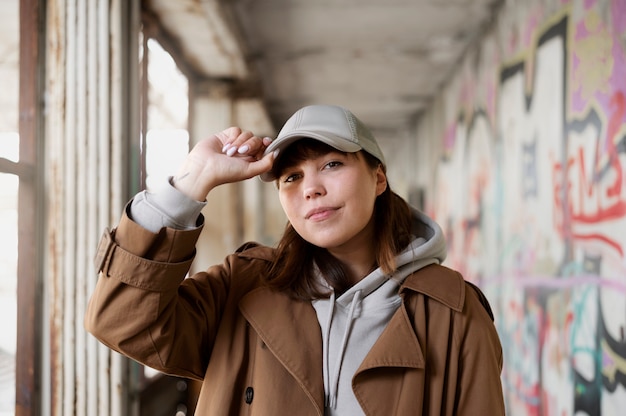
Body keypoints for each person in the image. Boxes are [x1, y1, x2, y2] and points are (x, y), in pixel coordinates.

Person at [85, 104, 505, 415]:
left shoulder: (454, 313)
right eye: (292, 177)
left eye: (332, 164)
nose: (311, 189)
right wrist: (192, 180)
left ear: (378, 178)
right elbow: (121, 320)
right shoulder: (244, 288)